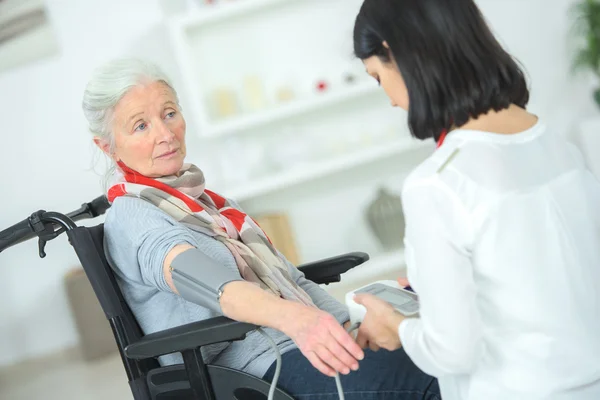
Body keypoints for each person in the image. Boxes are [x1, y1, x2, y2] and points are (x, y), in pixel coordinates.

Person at [81, 57, 440, 399]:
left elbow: (292, 281)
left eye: (170, 113)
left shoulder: (212, 205)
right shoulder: (131, 216)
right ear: (108, 147)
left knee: (440, 351)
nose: (165, 134)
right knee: (431, 378)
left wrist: (349, 326)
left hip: (294, 345)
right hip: (255, 369)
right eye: (141, 125)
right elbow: (210, 283)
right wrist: (299, 321)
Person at [350, 0, 600, 399]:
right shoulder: (555, 143)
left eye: (378, 77)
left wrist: (396, 327)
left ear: (395, 51)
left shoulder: (438, 182)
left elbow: (451, 352)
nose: (392, 101)